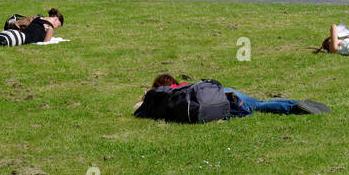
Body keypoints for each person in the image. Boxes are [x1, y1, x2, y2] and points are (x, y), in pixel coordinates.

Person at [135, 74, 329, 116]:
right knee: (260, 103)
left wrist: (146, 97)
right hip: (224, 91)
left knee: (258, 107)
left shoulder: (168, 96)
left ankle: (294, 108)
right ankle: (295, 103)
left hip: (219, 101)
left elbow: (137, 108)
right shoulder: (186, 87)